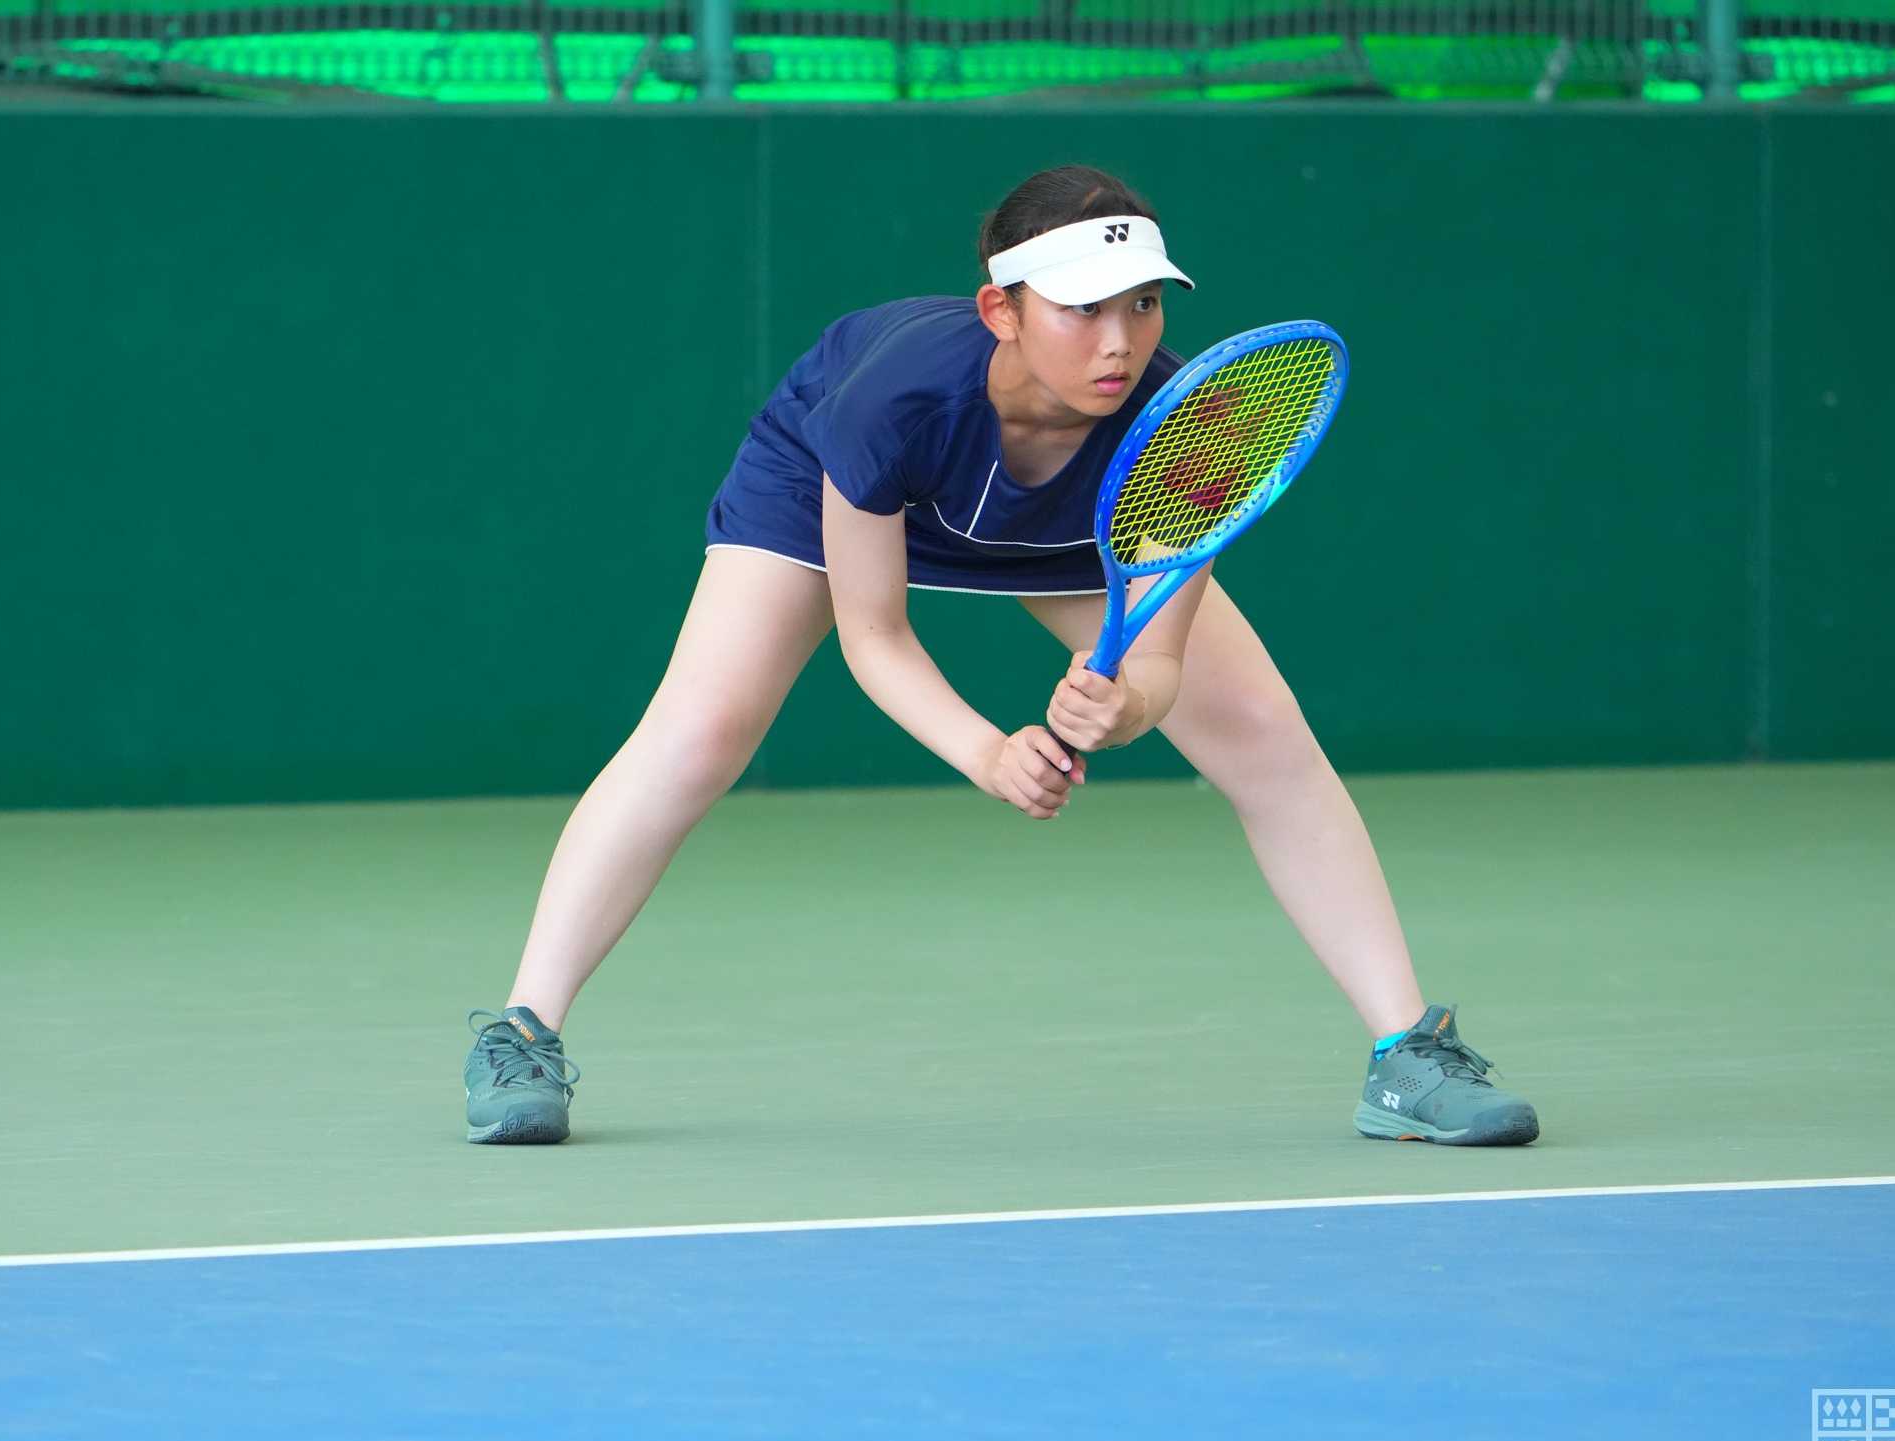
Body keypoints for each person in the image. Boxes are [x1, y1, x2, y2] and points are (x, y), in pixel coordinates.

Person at [460, 165, 1537, 1152]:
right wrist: (987, 752)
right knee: (701, 729)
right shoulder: (890, 401)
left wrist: (1127, 708)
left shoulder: (1186, 430)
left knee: (1262, 734)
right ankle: (522, 1034)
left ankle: (1407, 1052)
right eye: (1084, 309)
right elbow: (876, 636)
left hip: (1071, 524)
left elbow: (1158, 666)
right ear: (1001, 311)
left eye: (1144, 305)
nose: (1120, 342)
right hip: (845, 491)